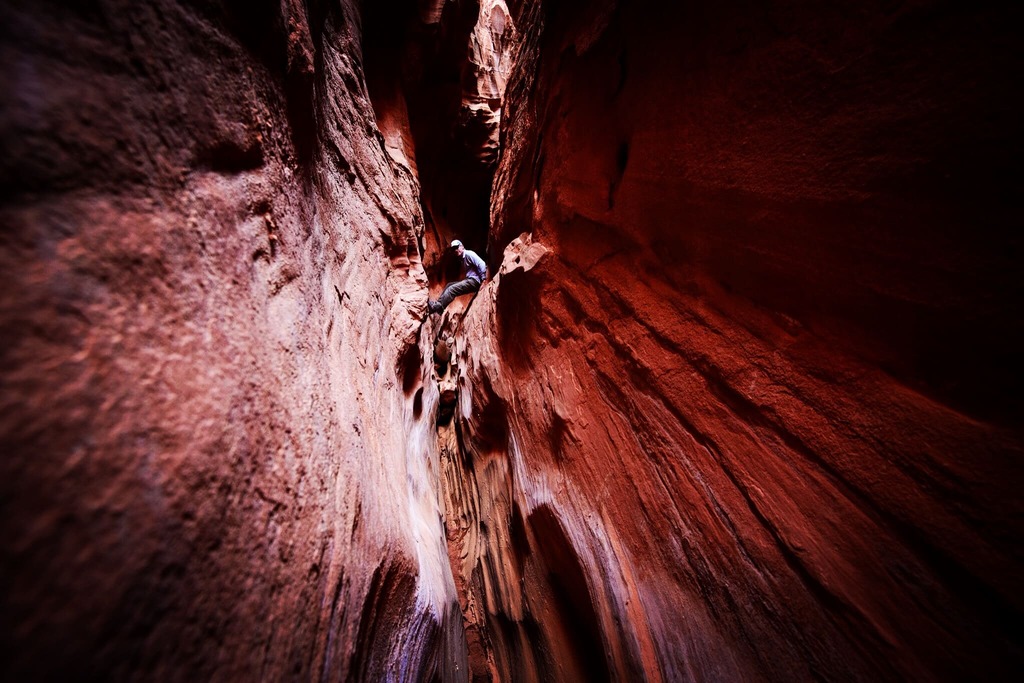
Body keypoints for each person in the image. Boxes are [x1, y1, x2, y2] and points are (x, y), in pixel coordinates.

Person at [428, 240, 487, 314]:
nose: (455, 250)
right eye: (453, 249)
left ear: (462, 246)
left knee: (452, 289)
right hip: (471, 280)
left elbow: (481, 264)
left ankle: (438, 306)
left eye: (457, 247)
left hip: (475, 281)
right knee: (449, 285)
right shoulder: (462, 259)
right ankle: (439, 306)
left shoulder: (469, 254)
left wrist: (484, 279)